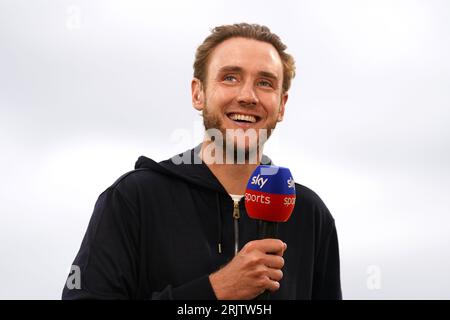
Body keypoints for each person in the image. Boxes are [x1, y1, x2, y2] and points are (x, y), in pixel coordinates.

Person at [62, 23, 342, 300]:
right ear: (198, 93)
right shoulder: (134, 199)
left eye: (265, 83)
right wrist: (214, 291)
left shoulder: (310, 214)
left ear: (281, 105)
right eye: (230, 78)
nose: (247, 96)